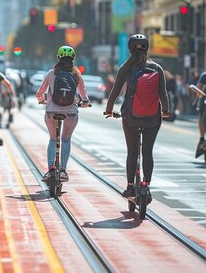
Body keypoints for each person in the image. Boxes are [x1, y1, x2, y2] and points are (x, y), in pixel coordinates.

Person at [104, 35, 170, 200]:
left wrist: (109, 109)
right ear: (147, 48)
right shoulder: (157, 68)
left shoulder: (126, 68)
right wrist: (166, 110)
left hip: (131, 117)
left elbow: (115, 91)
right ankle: (146, 185)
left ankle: (130, 187)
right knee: (147, 152)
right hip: (153, 119)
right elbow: (163, 93)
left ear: (130, 49)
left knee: (132, 151)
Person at [36, 46, 90, 182]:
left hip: (51, 112)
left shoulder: (51, 73)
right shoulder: (76, 75)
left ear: (58, 58)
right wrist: (84, 102)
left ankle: (51, 170)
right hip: (71, 113)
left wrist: (42, 100)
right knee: (66, 139)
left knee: (53, 139)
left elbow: (40, 92)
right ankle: (63, 170)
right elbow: (83, 94)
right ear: (73, 59)